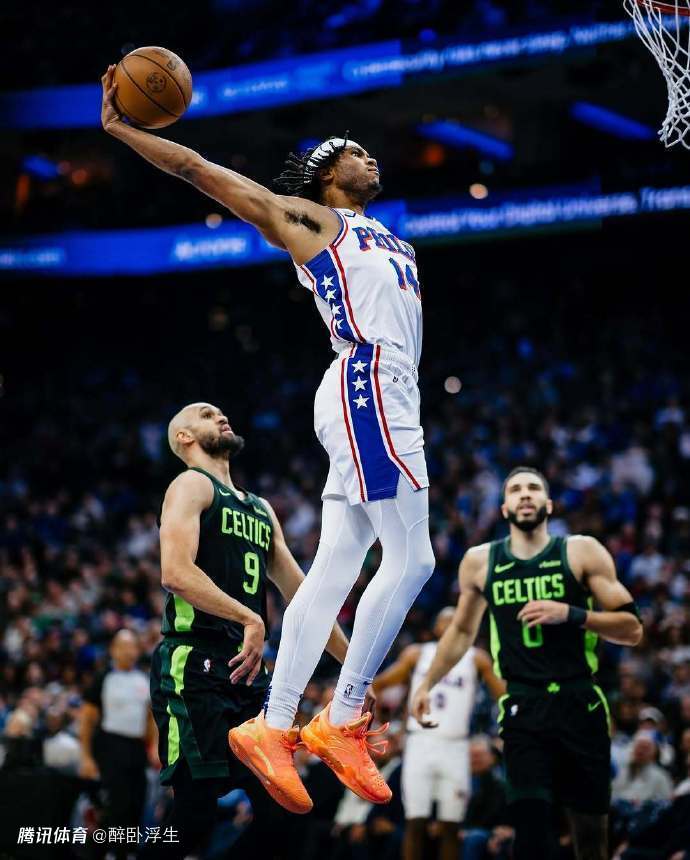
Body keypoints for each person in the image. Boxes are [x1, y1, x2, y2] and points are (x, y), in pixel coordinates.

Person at [101, 61, 435, 812]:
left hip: (380, 391)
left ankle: (274, 724)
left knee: (337, 564)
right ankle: (342, 715)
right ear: (326, 173)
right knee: (414, 558)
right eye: (355, 151)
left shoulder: (389, 236)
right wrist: (122, 128)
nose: (371, 157)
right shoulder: (311, 222)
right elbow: (197, 169)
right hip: (367, 381)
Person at [147, 401, 354, 856]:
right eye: (206, 415)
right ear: (184, 437)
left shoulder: (259, 508)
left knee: (285, 809)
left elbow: (303, 597)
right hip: (194, 665)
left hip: (248, 675)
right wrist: (248, 616)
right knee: (194, 815)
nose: (221, 417)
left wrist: (354, 670)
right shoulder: (191, 485)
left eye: (222, 413)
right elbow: (175, 572)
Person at [410, 466, 643, 860]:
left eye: (533, 488)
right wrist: (426, 683)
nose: (525, 494)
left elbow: (632, 628)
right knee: (531, 833)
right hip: (523, 705)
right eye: (515, 489)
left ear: (548, 504)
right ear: (504, 508)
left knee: (590, 838)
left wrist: (570, 613)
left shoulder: (581, 551)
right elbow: (462, 631)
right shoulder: (481, 561)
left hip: (579, 701)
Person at [372, 607, 505, 860]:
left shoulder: (476, 658)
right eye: (446, 620)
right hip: (420, 742)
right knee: (415, 821)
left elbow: (503, 695)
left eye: (458, 619)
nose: (453, 623)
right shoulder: (417, 654)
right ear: (436, 627)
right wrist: (382, 721)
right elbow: (379, 684)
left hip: (456, 745)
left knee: (451, 825)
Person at [79, 629, 156, 856]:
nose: (128, 651)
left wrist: (153, 747)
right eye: (123, 646)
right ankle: (100, 852)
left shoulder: (143, 679)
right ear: (113, 650)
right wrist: (85, 757)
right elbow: (87, 719)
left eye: (132, 646)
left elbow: (149, 718)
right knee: (116, 805)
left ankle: (125, 852)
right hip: (110, 745)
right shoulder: (104, 677)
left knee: (137, 803)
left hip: (137, 747)